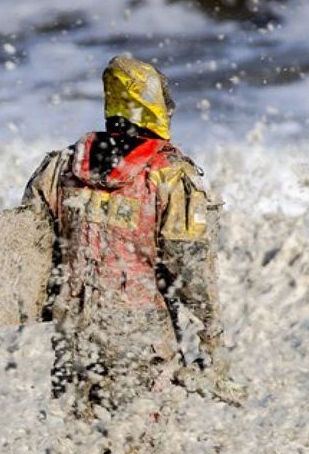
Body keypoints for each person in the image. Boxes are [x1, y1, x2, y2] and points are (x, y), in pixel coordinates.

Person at [21, 56, 244, 419]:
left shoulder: (60, 167)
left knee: (82, 445)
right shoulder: (170, 176)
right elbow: (192, 272)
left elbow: (28, 249)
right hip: (142, 337)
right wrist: (212, 344)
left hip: (75, 334)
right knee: (145, 447)